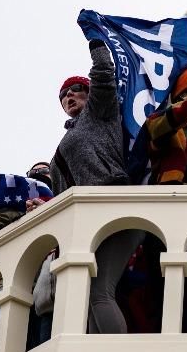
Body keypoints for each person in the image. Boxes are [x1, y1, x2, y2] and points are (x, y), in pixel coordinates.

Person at [49, 39, 139, 334]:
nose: (69, 96)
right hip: (86, 222)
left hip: (111, 205)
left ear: (89, 94)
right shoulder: (67, 139)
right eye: (63, 95)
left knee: (99, 292)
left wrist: (96, 41)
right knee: (88, 296)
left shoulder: (99, 114)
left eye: (75, 89)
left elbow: (103, 72)